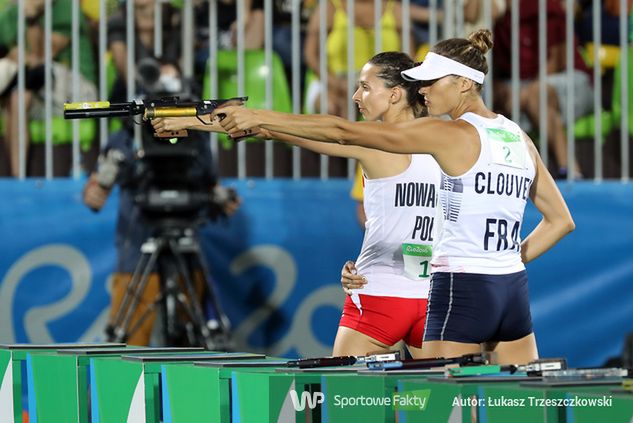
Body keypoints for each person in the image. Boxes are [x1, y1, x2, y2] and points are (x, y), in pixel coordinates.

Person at [213, 30, 576, 365]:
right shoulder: (518, 136)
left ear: (464, 83)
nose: (423, 91)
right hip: (511, 289)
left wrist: (256, 115)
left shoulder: (448, 134)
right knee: (522, 406)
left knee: (442, 407)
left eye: (431, 82)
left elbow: (342, 133)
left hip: (461, 289)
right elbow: (561, 221)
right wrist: (505, 261)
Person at [152, 51, 441, 358]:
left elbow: (301, 130)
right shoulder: (448, 142)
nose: (356, 95)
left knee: (350, 402)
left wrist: (190, 122)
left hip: (380, 296)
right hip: (435, 297)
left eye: (366, 87)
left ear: (395, 94)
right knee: (440, 402)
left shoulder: (370, 141)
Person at [0, 0, 97, 177]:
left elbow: (41, 56)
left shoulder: (66, 7)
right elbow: (14, 55)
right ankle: (17, 179)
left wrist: (31, 19)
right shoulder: (11, 13)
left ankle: (18, 177)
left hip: (77, 89)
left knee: (20, 86)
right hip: (34, 88)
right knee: (17, 97)